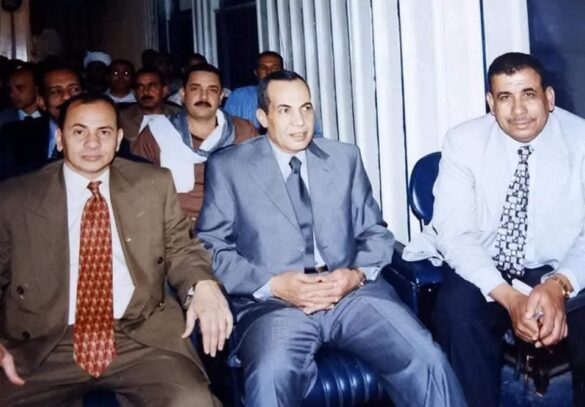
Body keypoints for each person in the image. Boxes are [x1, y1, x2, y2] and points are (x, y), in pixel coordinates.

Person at [196, 70, 465, 407]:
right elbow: (210, 246)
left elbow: (375, 232)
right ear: (263, 117)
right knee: (270, 378)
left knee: (427, 359)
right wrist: (274, 285)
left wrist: (355, 275)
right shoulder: (230, 167)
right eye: (285, 110)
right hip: (274, 306)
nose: (300, 122)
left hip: (351, 297)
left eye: (306, 108)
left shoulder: (344, 158)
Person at [0, 94, 232, 406]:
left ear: (119, 139)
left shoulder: (153, 184)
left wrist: (202, 284)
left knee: (193, 401)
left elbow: (182, 247)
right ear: (60, 139)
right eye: (79, 132)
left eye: (104, 132)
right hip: (44, 343)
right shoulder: (15, 198)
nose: (92, 143)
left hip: (139, 336)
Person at [418, 52, 585, 406]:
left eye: (529, 94)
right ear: (491, 103)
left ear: (549, 98)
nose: (518, 110)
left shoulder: (581, 140)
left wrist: (559, 284)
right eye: (505, 97)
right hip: (489, 262)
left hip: (561, 264)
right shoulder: (463, 142)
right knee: (456, 311)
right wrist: (509, 297)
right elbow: (456, 235)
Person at [132, 63, 257, 222]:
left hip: (233, 224)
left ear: (220, 98)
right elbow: (138, 189)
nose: (204, 96)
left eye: (212, 90)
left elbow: (260, 185)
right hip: (176, 227)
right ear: (183, 94)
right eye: (195, 89)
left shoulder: (243, 131)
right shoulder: (157, 133)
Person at [0, 64, 83, 181]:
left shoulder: (102, 135)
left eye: (74, 89)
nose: (66, 97)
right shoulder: (14, 135)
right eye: (55, 92)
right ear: (41, 101)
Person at [119, 67, 180, 147]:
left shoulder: (180, 116)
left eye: (152, 86)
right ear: (135, 93)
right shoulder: (123, 118)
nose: (145, 91)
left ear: (164, 91)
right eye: (140, 87)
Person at [223, 50, 283, 129]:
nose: (269, 72)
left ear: (282, 72)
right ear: (256, 73)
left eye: (274, 68)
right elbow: (227, 129)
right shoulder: (239, 96)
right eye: (263, 68)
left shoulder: (291, 96)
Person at [0, 63, 41, 128]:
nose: (12, 94)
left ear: (36, 89)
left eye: (19, 88)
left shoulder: (51, 117)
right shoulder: (3, 119)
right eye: (10, 89)